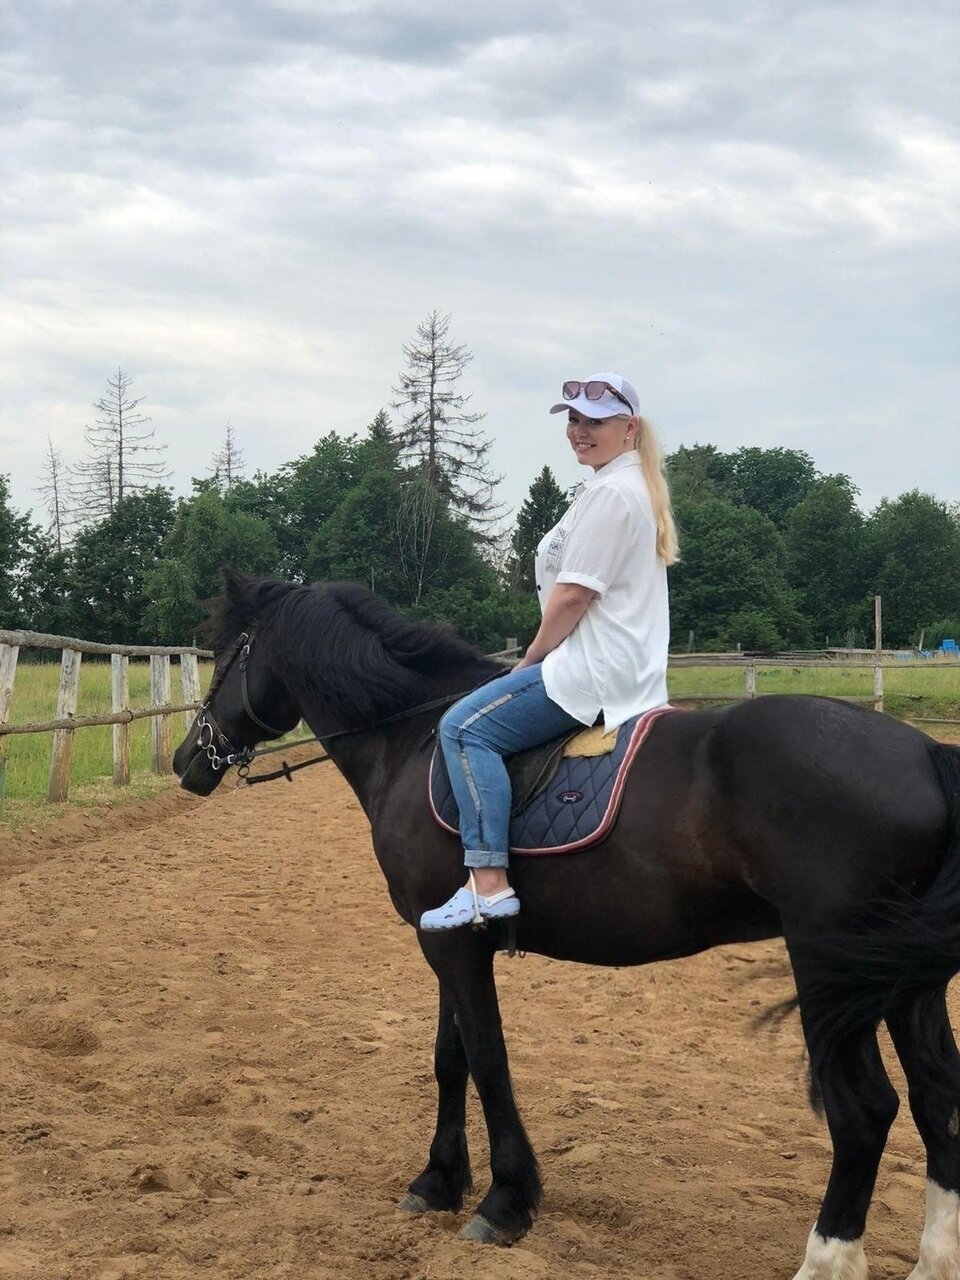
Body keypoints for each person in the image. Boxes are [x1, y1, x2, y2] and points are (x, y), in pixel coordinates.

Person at [420, 372, 679, 932]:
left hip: (590, 669)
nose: (580, 430)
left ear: (629, 428)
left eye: (595, 421)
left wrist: (532, 657)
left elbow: (572, 596)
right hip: (623, 664)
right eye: (574, 419)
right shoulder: (624, 486)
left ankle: (488, 882)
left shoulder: (611, 494)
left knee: (463, 728)